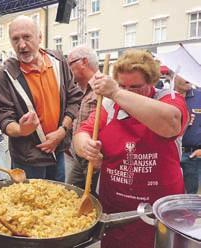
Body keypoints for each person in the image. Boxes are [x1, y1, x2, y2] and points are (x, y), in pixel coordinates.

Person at [74, 49, 188, 248]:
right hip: (115, 211)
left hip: (157, 210)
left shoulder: (168, 98)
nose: (128, 91)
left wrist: (117, 92)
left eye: (135, 87)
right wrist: (85, 146)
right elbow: (82, 131)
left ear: (152, 82)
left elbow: (171, 124)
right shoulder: (109, 106)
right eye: (123, 85)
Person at [0, 15, 81, 182]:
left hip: (58, 150)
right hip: (28, 158)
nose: (22, 45)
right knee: (28, 204)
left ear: (40, 37)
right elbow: (3, 117)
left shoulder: (58, 61)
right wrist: (21, 129)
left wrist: (62, 131)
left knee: (59, 201)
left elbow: (74, 98)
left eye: (27, 37)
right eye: (15, 39)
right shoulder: (4, 76)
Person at [67, 45, 99, 192]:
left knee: (92, 198)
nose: (67, 68)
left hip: (94, 158)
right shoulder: (78, 89)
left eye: (70, 63)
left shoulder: (103, 87)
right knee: (71, 194)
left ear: (84, 62)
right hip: (78, 157)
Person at [174, 73, 201, 194]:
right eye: (183, 74)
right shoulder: (165, 97)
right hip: (170, 154)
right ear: (172, 76)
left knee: (190, 195)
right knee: (170, 193)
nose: (188, 78)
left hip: (192, 156)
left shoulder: (199, 97)